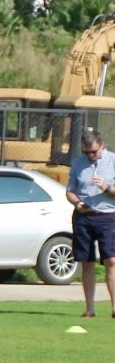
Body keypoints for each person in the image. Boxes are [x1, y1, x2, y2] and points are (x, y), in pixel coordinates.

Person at [65, 131, 115, 318]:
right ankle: (90, 308)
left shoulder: (113, 161)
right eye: (87, 152)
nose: (90, 156)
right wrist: (78, 203)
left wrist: (106, 187)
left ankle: (114, 308)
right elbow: (70, 191)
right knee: (87, 262)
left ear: (102, 145)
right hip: (83, 217)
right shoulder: (78, 163)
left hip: (108, 216)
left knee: (111, 261)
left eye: (93, 152)